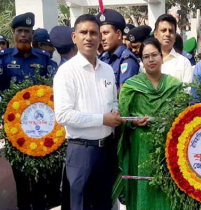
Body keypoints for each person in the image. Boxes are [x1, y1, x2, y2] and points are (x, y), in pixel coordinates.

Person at [54, 14, 126, 210]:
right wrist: (103, 119)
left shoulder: (107, 70)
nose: (89, 37)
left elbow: (113, 100)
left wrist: (115, 110)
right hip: (81, 152)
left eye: (94, 33)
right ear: (74, 37)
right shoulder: (66, 72)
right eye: (83, 32)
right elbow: (63, 115)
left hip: (106, 152)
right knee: (79, 205)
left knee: (105, 204)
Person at [113, 37, 182, 210]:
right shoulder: (131, 86)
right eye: (146, 56)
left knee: (166, 191)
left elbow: (184, 119)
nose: (151, 60)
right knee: (143, 189)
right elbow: (121, 120)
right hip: (140, 147)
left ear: (161, 56)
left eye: (154, 55)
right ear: (141, 61)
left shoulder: (175, 86)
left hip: (167, 148)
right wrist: (133, 123)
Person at [0, 12, 58, 210]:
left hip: (41, 128)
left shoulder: (43, 59)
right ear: (13, 33)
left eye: (27, 31)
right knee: (21, 179)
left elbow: (52, 91)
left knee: (41, 178)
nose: (23, 35)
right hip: (15, 129)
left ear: (32, 34)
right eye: (20, 31)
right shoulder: (3, 59)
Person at [97, 9, 140, 90]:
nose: (102, 38)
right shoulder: (103, 58)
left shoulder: (127, 60)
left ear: (119, 34)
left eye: (106, 33)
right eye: (100, 34)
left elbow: (124, 94)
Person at [154, 14, 192, 83]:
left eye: (171, 31)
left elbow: (187, 91)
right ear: (156, 34)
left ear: (175, 36)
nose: (167, 34)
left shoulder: (184, 63)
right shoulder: (146, 61)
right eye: (163, 30)